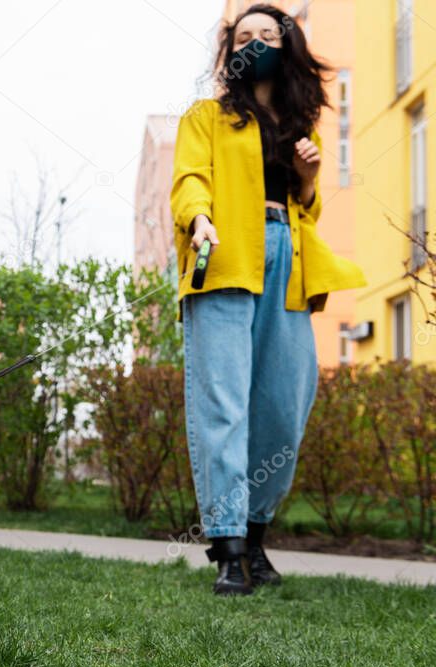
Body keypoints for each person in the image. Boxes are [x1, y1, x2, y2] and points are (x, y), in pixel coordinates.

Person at [170, 3, 366, 595]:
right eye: (242, 35)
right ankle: (229, 548)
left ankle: (256, 536)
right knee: (223, 404)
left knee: (284, 407)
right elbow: (189, 180)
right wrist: (198, 219)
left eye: (268, 34)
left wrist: (307, 178)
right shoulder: (207, 116)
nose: (254, 42)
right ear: (229, 51)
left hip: (289, 263)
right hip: (225, 256)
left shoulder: (296, 125)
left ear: (288, 47)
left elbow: (305, 211)